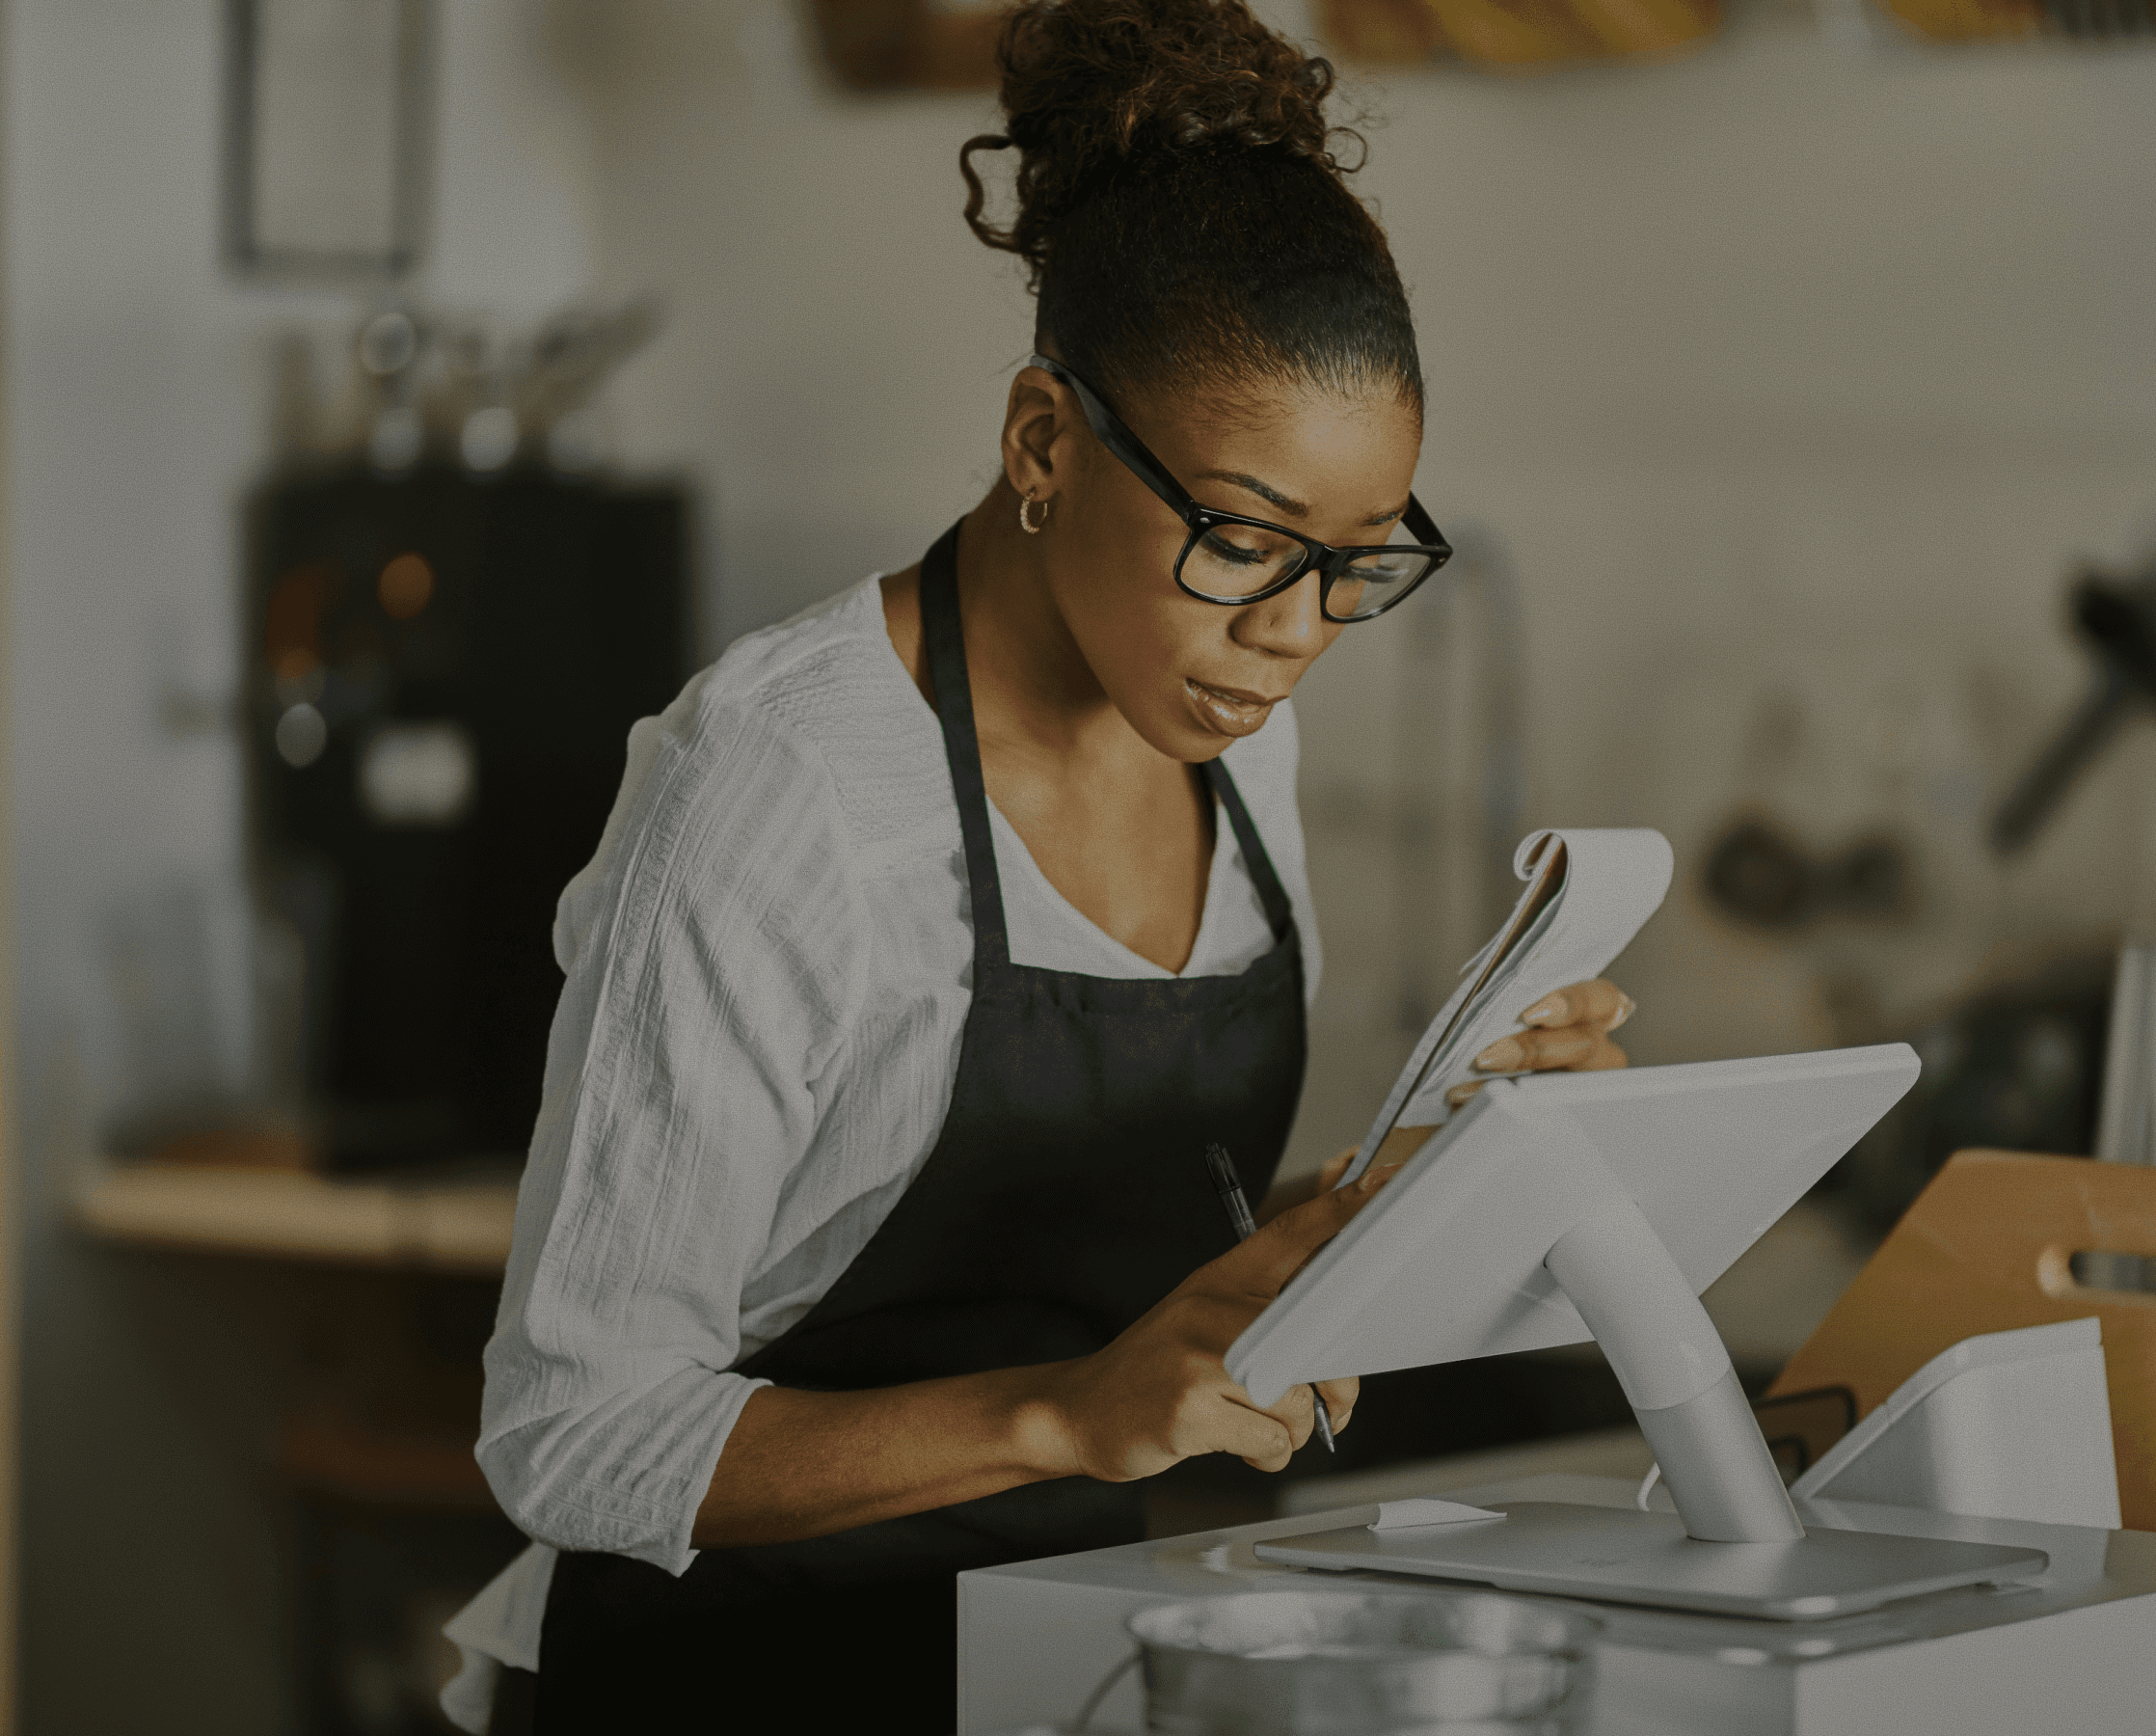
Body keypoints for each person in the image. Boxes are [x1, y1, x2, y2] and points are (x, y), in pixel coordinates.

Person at [439, 1, 1637, 1727]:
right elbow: (568, 1435)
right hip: (732, 1683)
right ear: (1042, 443)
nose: (1297, 634)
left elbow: (1141, 1268)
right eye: (1241, 540)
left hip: (1059, 1657)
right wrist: (1066, 1415)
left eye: (1358, 562)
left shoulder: (1224, 712)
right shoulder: (778, 792)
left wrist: (1425, 1188)